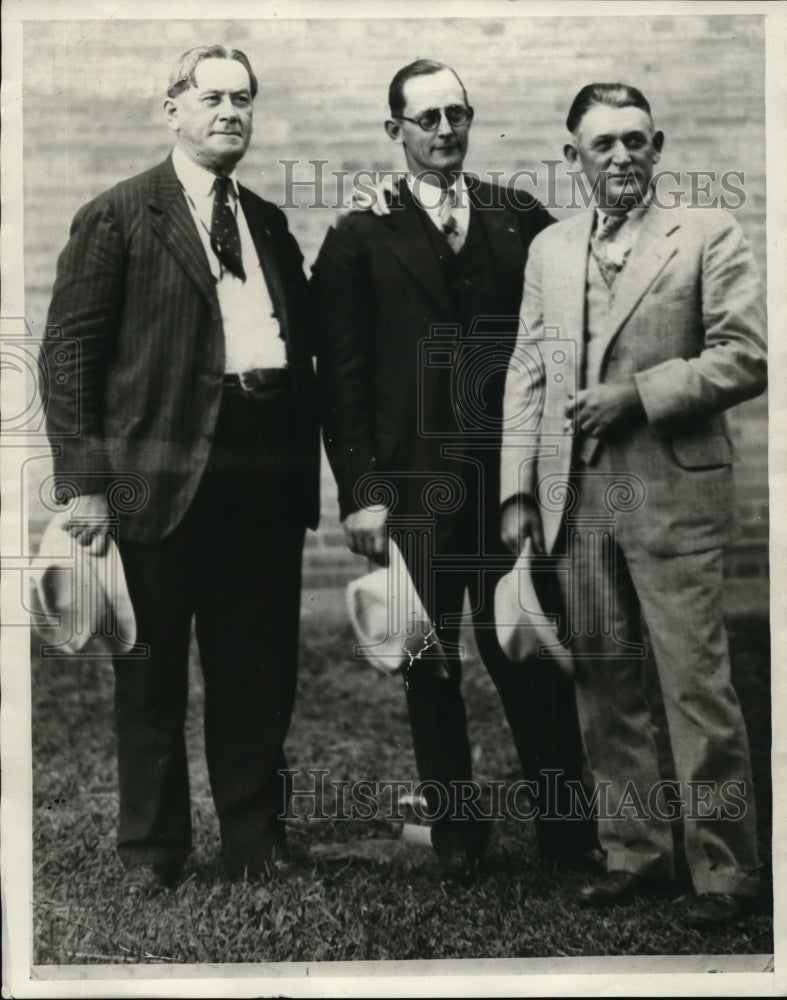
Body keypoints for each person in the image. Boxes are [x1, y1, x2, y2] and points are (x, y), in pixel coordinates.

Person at [40, 45, 320, 894]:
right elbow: (70, 357)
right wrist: (87, 484)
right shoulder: (120, 214)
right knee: (150, 669)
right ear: (173, 109)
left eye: (243, 99)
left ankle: (254, 840)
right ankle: (153, 851)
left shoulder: (266, 220)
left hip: (262, 466)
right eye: (211, 98)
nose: (230, 112)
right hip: (157, 474)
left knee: (256, 665)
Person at [313, 59, 598, 881]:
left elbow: (574, 291)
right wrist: (361, 493)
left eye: (456, 114)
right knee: (427, 661)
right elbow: (343, 379)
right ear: (394, 130)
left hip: (507, 484)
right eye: (426, 118)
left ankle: (568, 835)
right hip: (412, 488)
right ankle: (456, 833)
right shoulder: (359, 235)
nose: (444, 131)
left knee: (527, 647)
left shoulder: (517, 217)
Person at [500, 83, 766, 926]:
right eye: (602, 144)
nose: (621, 156)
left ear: (658, 145)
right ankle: (636, 853)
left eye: (634, 140)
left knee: (694, 685)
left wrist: (636, 396)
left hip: (672, 493)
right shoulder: (549, 248)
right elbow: (527, 373)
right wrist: (517, 492)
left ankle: (724, 870)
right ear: (572, 156)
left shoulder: (706, 233)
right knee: (603, 682)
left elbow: (744, 356)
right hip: (574, 501)